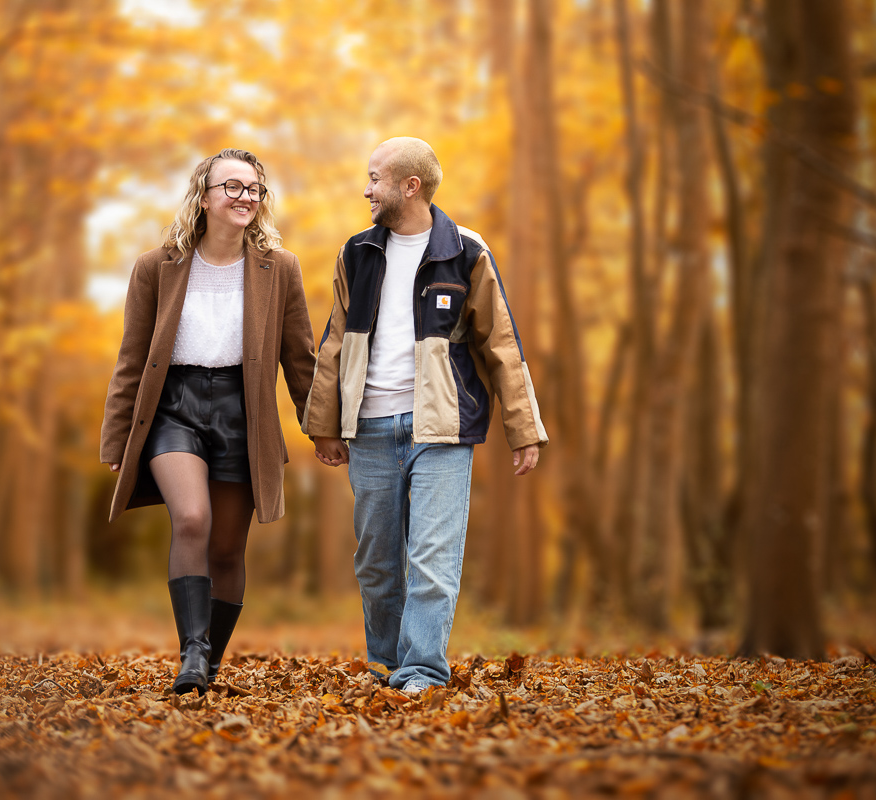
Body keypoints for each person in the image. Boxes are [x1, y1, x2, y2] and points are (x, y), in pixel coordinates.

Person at [303, 137, 547, 694]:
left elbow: (500, 343)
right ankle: (387, 665)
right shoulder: (357, 251)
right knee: (378, 564)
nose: (366, 189)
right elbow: (336, 340)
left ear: (409, 186)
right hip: (368, 428)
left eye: (375, 178)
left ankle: (422, 671)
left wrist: (523, 429)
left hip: (441, 427)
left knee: (433, 558)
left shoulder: (464, 250)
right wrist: (324, 424)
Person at [99, 149, 315, 695]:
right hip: (175, 408)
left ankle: (209, 662)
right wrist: (117, 435)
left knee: (226, 549)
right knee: (192, 519)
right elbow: (131, 357)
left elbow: (300, 358)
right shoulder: (158, 266)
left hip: (245, 413)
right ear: (204, 195)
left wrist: (323, 428)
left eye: (254, 189)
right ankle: (192, 654)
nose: (245, 197)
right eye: (233, 187)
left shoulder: (279, 268)